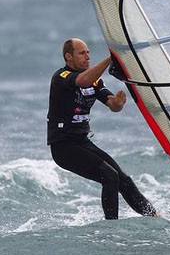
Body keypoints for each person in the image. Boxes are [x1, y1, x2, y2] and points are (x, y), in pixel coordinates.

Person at [47, 38, 158, 220]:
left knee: (123, 179)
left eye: (88, 52)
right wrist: (110, 59)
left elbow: (112, 105)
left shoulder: (95, 82)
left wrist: (118, 103)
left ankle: (155, 217)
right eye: (82, 53)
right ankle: (112, 227)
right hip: (63, 147)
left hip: (82, 142)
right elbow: (82, 81)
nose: (87, 57)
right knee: (109, 176)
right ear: (68, 57)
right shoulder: (62, 77)